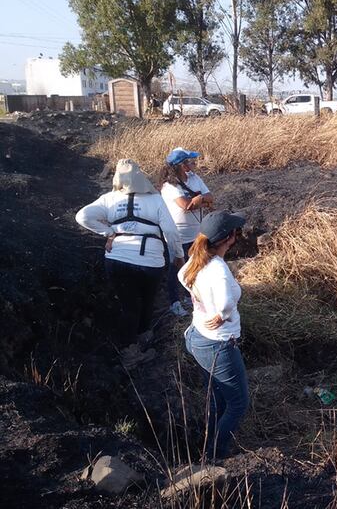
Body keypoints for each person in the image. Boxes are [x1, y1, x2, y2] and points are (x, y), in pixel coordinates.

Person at [75, 159, 183, 348]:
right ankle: (143, 338)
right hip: (150, 262)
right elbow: (171, 232)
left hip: (117, 259)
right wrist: (178, 256)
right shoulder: (155, 199)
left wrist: (109, 233)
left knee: (129, 306)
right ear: (140, 177)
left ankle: (128, 349)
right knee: (148, 302)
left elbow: (82, 216)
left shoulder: (108, 199)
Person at [179, 210, 249, 460]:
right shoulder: (218, 268)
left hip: (198, 338)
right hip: (217, 345)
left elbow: (181, 276)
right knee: (239, 404)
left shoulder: (197, 258)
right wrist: (221, 314)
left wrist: (206, 307)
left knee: (219, 399)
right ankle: (214, 455)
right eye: (236, 232)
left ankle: (208, 442)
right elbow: (226, 302)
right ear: (228, 238)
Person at [160, 147, 214, 317]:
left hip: (197, 233)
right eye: (190, 161)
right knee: (176, 268)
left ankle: (189, 297)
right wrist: (199, 201)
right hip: (177, 236)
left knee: (195, 267)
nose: (194, 163)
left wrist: (198, 201)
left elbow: (210, 197)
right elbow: (185, 205)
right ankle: (174, 302)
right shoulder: (169, 186)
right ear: (183, 165)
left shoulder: (194, 178)